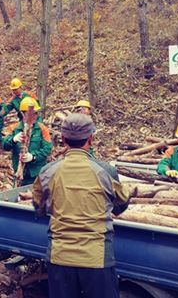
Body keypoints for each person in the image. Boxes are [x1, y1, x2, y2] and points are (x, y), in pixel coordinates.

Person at [32, 113, 130, 298]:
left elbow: (39, 209)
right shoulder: (105, 171)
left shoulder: (48, 172)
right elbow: (120, 206)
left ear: (62, 139)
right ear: (91, 139)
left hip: (60, 257)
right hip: (97, 258)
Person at [2, 97, 52, 186]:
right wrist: (13, 140)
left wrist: (33, 157)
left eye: (36, 113)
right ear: (23, 113)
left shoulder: (42, 128)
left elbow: (47, 149)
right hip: (19, 173)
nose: (35, 116)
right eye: (31, 114)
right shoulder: (14, 128)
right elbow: (4, 146)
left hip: (37, 174)